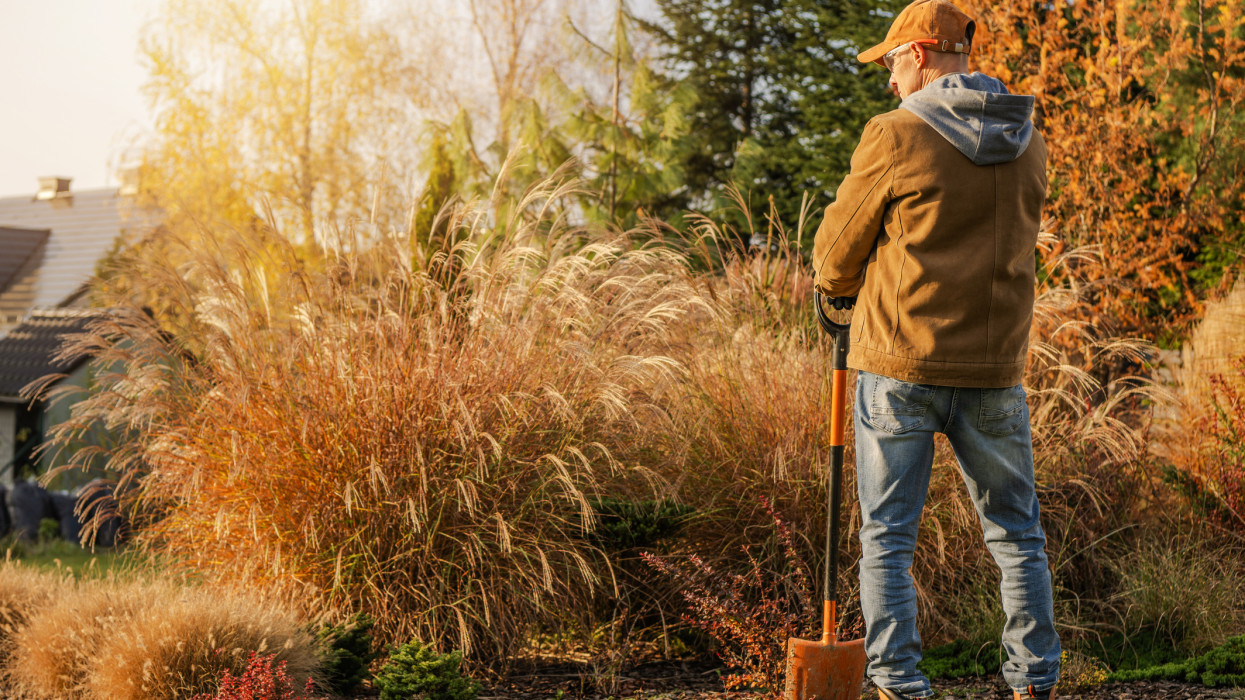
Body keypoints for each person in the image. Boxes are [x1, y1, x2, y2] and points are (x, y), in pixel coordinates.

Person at [811, 1, 1060, 698]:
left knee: (887, 538)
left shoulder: (896, 134)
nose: (889, 81)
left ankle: (898, 682)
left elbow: (833, 254)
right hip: (994, 371)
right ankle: (1033, 680)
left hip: (901, 364)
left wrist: (838, 291)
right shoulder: (1029, 140)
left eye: (891, 64)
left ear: (919, 54)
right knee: (1017, 536)